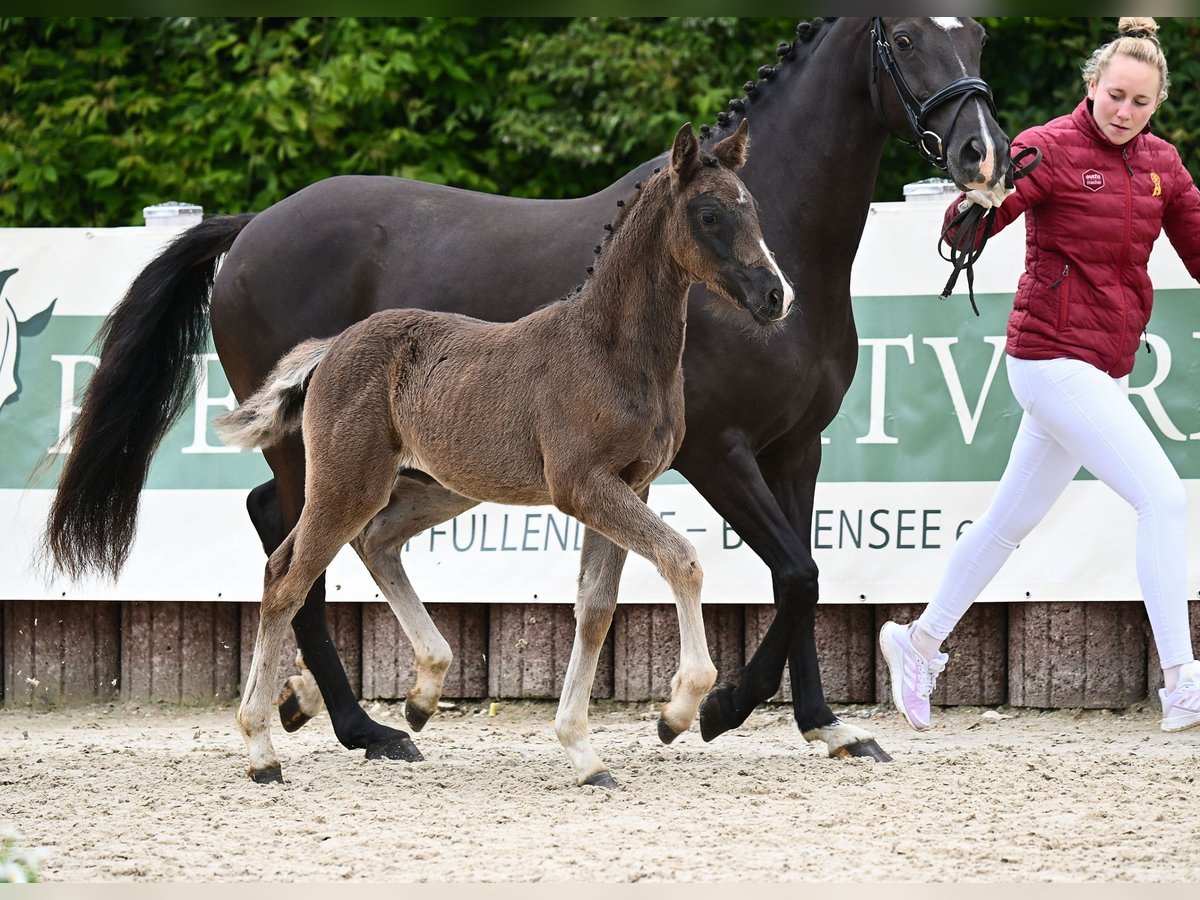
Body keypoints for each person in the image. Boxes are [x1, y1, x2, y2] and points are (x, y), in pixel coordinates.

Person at [880, 17, 1200, 734]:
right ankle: (1181, 683)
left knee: (1005, 525)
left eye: (1140, 103)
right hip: (1049, 359)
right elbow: (966, 227)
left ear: (1157, 105)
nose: (1124, 111)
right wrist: (978, 201)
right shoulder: (1047, 148)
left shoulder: (1163, 166)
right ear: (1092, 86)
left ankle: (919, 641)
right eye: (1115, 94)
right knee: (1163, 499)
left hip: (1101, 367)